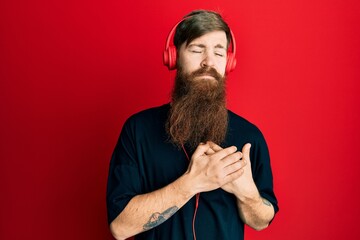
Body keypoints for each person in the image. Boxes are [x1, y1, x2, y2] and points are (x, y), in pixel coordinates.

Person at [106, 10, 278, 240]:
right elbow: (120, 228)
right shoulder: (137, 130)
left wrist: (247, 193)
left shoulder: (249, 136)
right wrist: (193, 182)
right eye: (197, 50)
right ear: (174, 57)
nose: (208, 61)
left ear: (229, 63)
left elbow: (261, 222)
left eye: (218, 52)